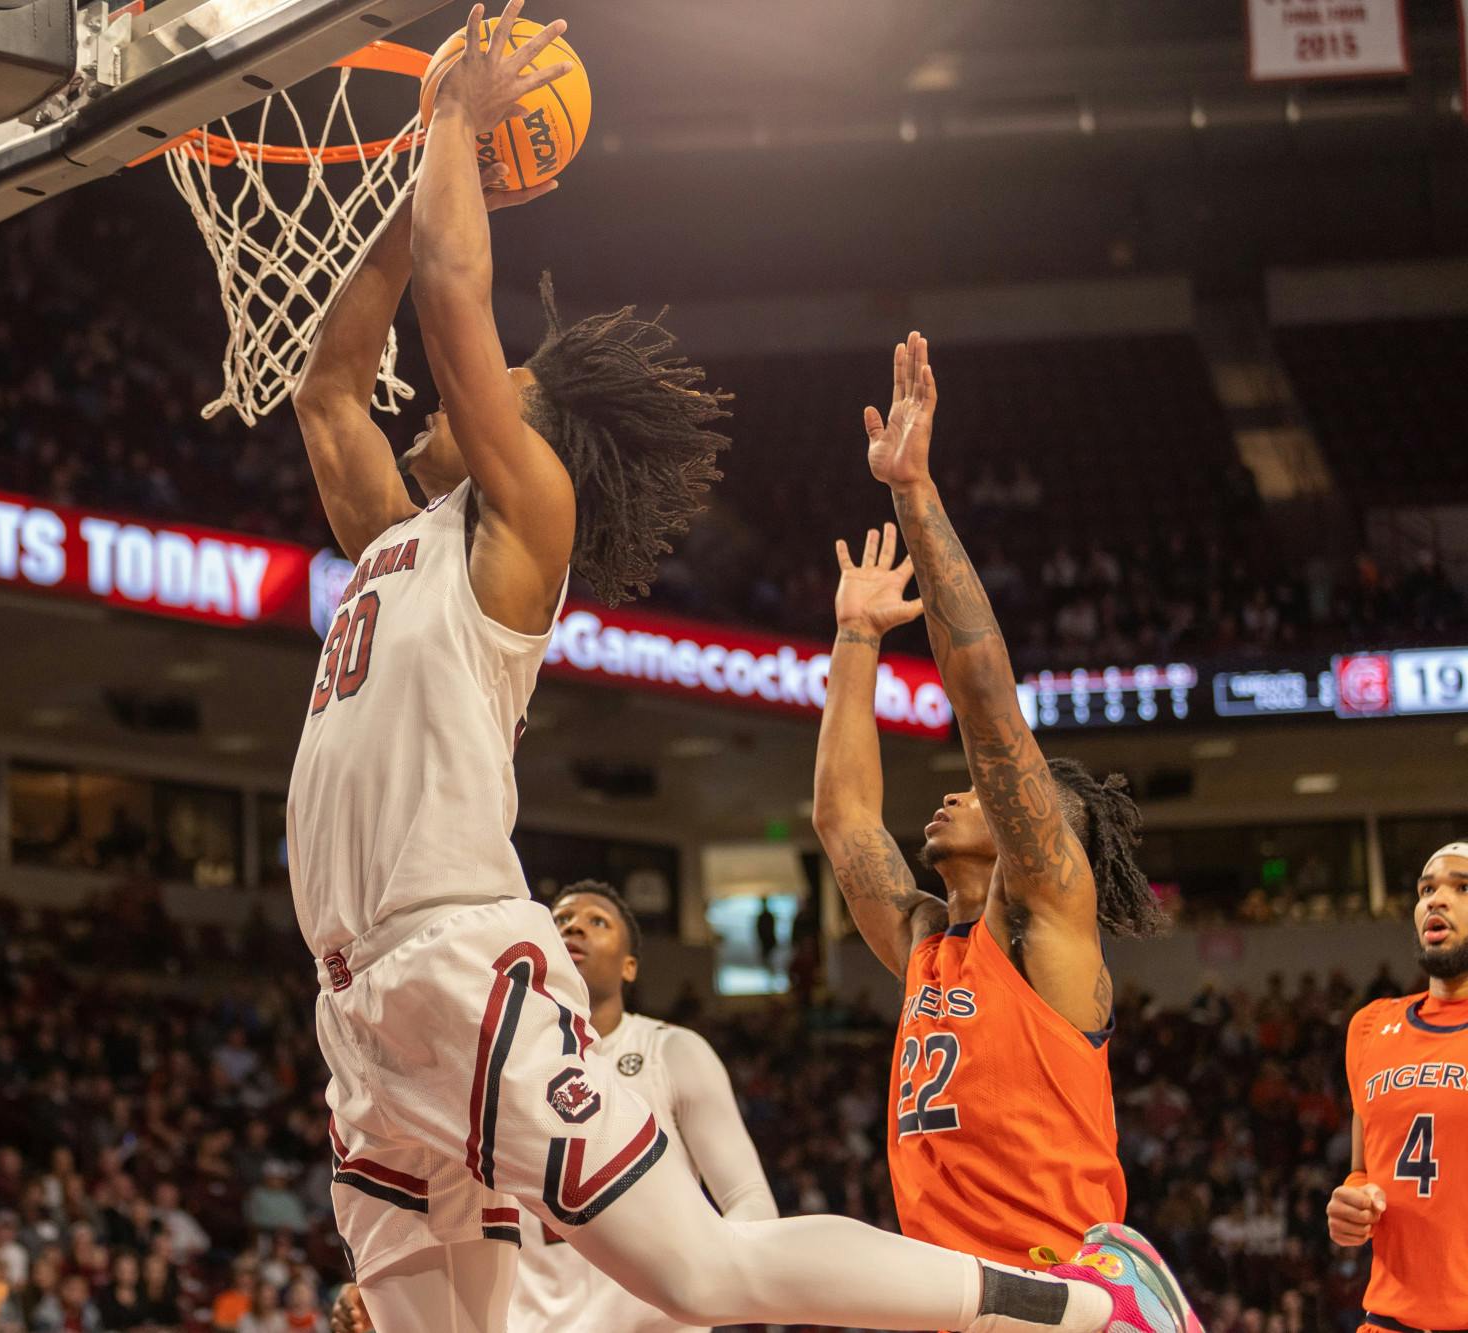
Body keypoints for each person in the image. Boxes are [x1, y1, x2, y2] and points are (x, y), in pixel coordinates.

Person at [289, 5, 1195, 1328]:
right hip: (356, 1004)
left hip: (452, 947)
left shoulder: (525, 525)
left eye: (504, 389)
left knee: (707, 1272)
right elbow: (327, 388)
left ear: (533, 434)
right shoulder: (395, 540)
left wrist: (453, 122)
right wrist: (411, 181)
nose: (451, 404)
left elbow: (453, 302)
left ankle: (1089, 1313)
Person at [842, 335, 1171, 1267]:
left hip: (1058, 1292)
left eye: (991, 794)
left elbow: (987, 708)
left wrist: (914, 495)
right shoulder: (924, 946)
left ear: (1047, 832)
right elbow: (845, 822)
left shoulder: (1044, 918)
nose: (962, 789)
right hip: (958, 1299)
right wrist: (857, 636)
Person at [512, 881, 777, 1332]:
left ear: (629, 966)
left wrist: (701, 1280)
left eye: (597, 921)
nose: (573, 926)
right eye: (560, 921)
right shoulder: (506, 1068)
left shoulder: (672, 1051)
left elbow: (751, 1202)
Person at [1327, 841, 1468, 1331]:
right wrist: (1352, 1205)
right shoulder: (1370, 1026)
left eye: (1462, 887)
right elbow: (1362, 1170)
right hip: (1386, 1322)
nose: (1437, 899)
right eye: (1427, 889)